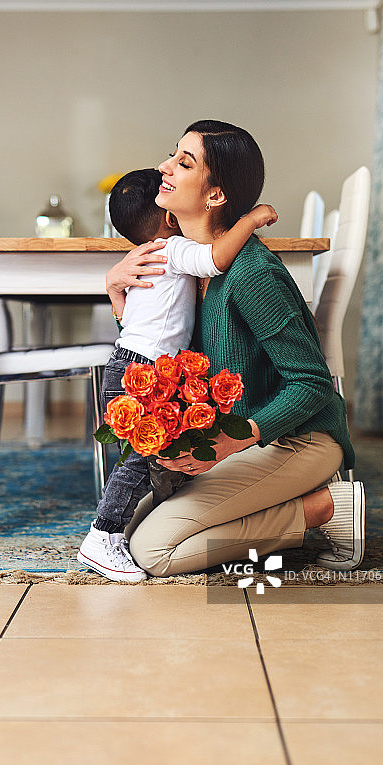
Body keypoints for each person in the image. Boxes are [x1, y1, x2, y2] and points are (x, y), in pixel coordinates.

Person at [105, 119, 365, 578]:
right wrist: (115, 290)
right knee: (125, 530)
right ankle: (279, 501)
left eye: (184, 163)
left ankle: (325, 508)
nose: (164, 166)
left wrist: (231, 442)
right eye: (172, 153)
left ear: (215, 196)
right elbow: (153, 343)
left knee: (153, 552)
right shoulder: (182, 265)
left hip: (297, 438)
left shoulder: (250, 274)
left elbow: (313, 384)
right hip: (243, 437)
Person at [77, 167, 278, 582]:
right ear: (169, 216)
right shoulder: (172, 249)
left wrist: (114, 290)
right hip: (144, 371)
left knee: (146, 459)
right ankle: (102, 535)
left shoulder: (144, 257)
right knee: (139, 461)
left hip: (124, 363)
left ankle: (144, 523)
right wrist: (251, 219)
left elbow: (130, 318)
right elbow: (216, 259)